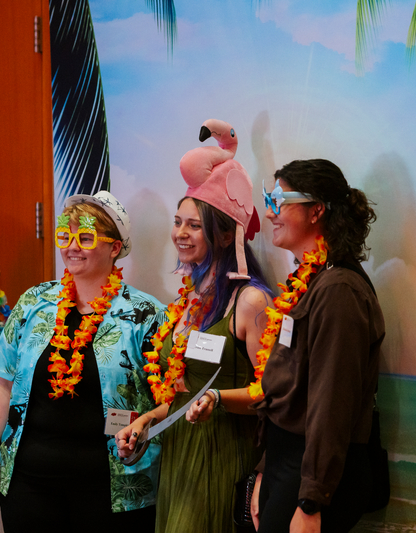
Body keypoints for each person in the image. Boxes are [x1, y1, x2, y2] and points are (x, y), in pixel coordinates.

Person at [116, 119, 273, 533]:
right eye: (177, 222)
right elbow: (186, 396)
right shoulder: (185, 301)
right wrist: (147, 421)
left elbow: (273, 393)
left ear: (224, 236)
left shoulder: (250, 302)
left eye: (194, 225)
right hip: (179, 460)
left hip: (222, 457)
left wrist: (218, 400)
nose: (180, 234)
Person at [0, 191, 164, 533]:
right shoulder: (33, 302)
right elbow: (2, 382)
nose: (72, 247)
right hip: (30, 483)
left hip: (113, 487)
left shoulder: (146, 314)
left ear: (114, 248)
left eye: (86, 238)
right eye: (65, 236)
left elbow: (173, 398)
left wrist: (143, 425)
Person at [250, 159, 385, 533]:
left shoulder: (339, 290)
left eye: (279, 200)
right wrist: (265, 469)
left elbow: (331, 403)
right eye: (268, 199)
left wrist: (311, 501)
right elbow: (289, 394)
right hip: (288, 462)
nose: (269, 212)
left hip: (313, 472)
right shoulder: (310, 281)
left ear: (316, 211)